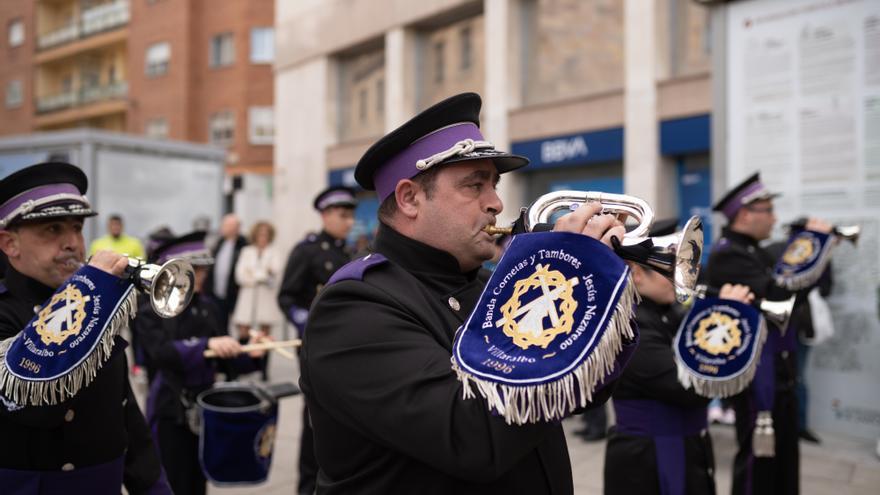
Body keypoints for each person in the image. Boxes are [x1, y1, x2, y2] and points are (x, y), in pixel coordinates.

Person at [300, 92, 630, 494]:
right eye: (474, 186)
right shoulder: (355, 307)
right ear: (409, 199)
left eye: (493, 184)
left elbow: (577, 391)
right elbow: (473, 438)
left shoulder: (487, 284)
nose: (496, 203)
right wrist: (559, 277)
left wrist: (597, 292)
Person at [0, 162, 170, 494]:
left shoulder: (92, 305)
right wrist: (89, 291)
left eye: (76, 228)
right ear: (10, 244)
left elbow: (126, 417)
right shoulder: (8, 311)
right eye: (52, 230)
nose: (72, 243)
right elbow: (34, 406)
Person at [604, 218, 754, 495]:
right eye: (671, 268)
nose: (685, 276)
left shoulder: (669, 312)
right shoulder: (628, 326)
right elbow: (688, 388)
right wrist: (724, 320)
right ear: (636, 274)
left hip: (688, 445)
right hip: (646, 458)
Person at [706, 173, 832, 495]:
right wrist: (812, 246)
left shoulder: (756, 251)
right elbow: (782, 297)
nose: (774, 218)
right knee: (757, 466)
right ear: (746, 214)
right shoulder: (728, 254)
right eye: (768, 211)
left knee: (784, 462)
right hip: (758, 377)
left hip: (779, 370)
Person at [137, 231, 267, 495]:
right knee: (173, 481)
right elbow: (161, 352)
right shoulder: (151, 309)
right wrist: (205, 345)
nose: (201, 276)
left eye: (204, 270)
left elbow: (224, 359)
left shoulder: (209, 306)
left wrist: (251, 353)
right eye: (194, 269)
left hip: (205, 407)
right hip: (170, 407)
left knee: (199, 481)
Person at [277, 186, 357, 495]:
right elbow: (286, 295)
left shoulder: (349, 253)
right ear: (324, 215)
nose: (348, 222)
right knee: (315, 422)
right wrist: (304, 320)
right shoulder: (307, 250)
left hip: (348, 346)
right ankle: (307, 487)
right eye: (342, 215)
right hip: (317, 347)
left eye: (350, 216)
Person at [766, 221, 833, 445]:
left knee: (794, 376)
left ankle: (794, 424)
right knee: (793, 376)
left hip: (797, 323)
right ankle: (793, 425)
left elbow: (825, 287)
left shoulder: (781, 250)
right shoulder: (778, 251)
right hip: (786, 323)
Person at [232, 221, 283, 380]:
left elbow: (275, 275)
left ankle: (263, 370)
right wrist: (262, 275)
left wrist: (253, 273)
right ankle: (242, 365)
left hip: (266, 299)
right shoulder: (247, 251)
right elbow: (240, 275)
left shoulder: (274, 252)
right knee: (243, 330)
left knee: (265, 335)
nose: (263, 237)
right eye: (260, 234)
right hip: (247, 297)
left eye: (266, 234)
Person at [205, 213, 248, 331]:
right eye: (224, 225)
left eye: (227, 225)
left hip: (235, 294)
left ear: (236, 228)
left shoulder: (244, 245)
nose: (223, 228)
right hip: (217, 293)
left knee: (241, 326)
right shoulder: (219, 243)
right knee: (220, 324)